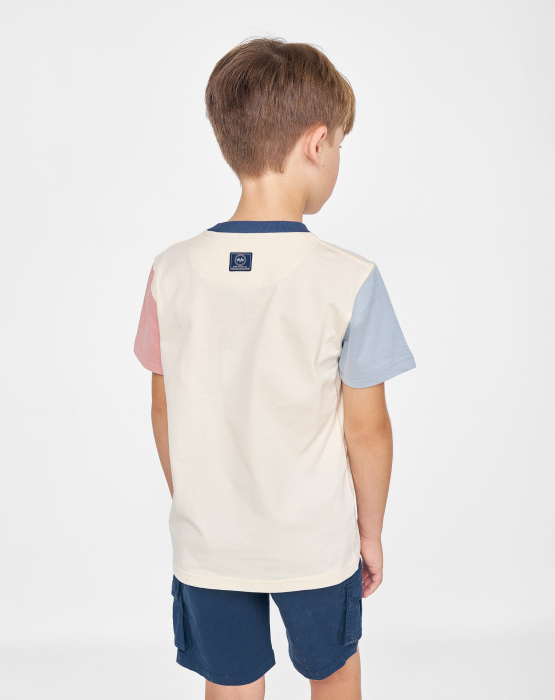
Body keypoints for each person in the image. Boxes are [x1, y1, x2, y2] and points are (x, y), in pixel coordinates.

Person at [133, 36, 416, 700]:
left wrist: (197, 503)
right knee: (332, 671)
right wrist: (370, 533)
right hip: (314, 543)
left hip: (210, 542)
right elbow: (367, 431)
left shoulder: (169, 272)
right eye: (339, 144)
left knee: (229, 681)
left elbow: (162, 408)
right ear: (316, 143)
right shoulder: (350, 279)